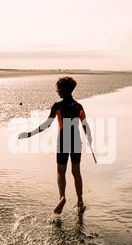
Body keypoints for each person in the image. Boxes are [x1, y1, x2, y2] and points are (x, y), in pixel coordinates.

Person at [19, 77, 92, 214]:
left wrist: (30, 134)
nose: (57, 90)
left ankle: (62, 197)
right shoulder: (78, 106)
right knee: (76, 172)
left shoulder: (57, 106)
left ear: (64, 90)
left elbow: (46, 125)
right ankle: (80, 201)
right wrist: (90, 140)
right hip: (76, 141)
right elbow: (85, 126)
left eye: (58, 88)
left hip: (64, 141)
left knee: (61, 172)